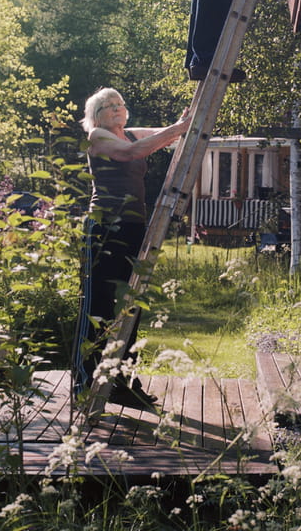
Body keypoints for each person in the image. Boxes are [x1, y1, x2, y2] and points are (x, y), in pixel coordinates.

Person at [74, 87, 191, 408]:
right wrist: (178, 129)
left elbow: (159, 136)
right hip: (105, 228)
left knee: (130, 305)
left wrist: (182, 124)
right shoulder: (98, 136)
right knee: (98, 305)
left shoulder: (127, 133)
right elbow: (133, 153)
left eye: (119, 105)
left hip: (132, 227)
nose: (116, 109)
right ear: (96, 114)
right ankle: (86, 383)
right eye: (108, 106)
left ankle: (122, 381)